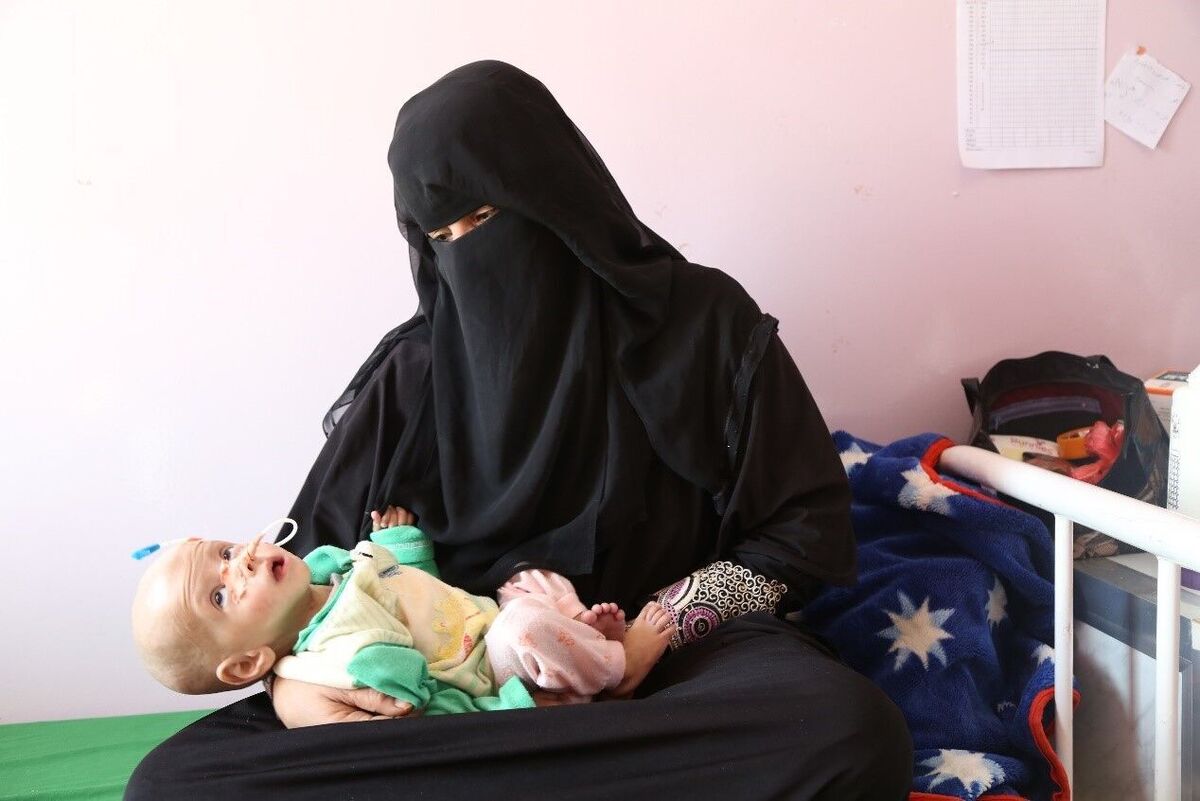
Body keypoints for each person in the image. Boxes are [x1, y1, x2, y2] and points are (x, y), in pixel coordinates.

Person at [127, 61, 913, 800]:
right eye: (442, 239)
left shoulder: (702, 326)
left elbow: (801, 534)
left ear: (559, 197)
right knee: (171, 783)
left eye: (485, 218)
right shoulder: (415, 375)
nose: (469, 255)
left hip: (668, 678)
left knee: (849, 729)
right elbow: (302, 590)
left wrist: (652, 633)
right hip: (453, 697)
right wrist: (294, 692)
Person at [130, 506, 673, 712]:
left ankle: (578, 637)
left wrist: (402, 547)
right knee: (524, 628)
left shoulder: (329, 568)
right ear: (248, 662)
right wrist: (513, 706)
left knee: (527, 577)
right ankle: (616, 672)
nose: (240, 563)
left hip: (482, 614)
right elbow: (434, 714)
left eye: (225, 554)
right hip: (490, 669)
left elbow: (416, 593)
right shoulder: (337, 661)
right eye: (219, 595)